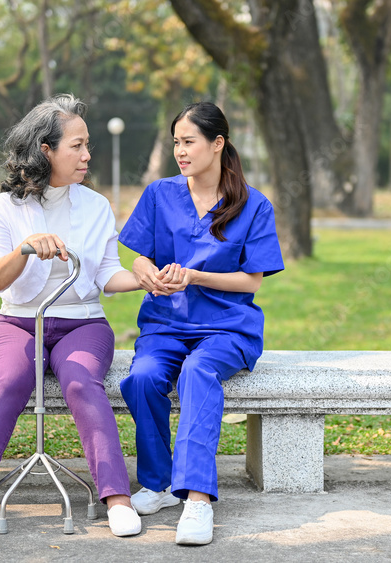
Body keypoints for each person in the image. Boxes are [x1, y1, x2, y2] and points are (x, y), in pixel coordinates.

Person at [0, 94, 142, 538]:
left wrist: (145, 280)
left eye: (88, 145)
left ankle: (117, 498)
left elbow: (107, 273)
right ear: (45, 150)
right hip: (17, 322)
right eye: (77, 146)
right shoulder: (5, 207)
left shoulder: (96, 206)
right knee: (9, 380)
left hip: (83, 323)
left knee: (80, 380)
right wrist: (25, 248)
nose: (87, 155)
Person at [118, 101, 285, 545]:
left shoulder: (253, 206)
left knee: (198, 372)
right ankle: (158, 485)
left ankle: (196, 498)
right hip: (166, 324)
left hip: (228, 327)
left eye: (188, 141)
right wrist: (143, 271)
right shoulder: (160, 194)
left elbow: (252, 280)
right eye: (176, 142)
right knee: (142, 378)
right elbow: (139, 254)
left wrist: (193, 275)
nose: (180, 151)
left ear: (217, 143)